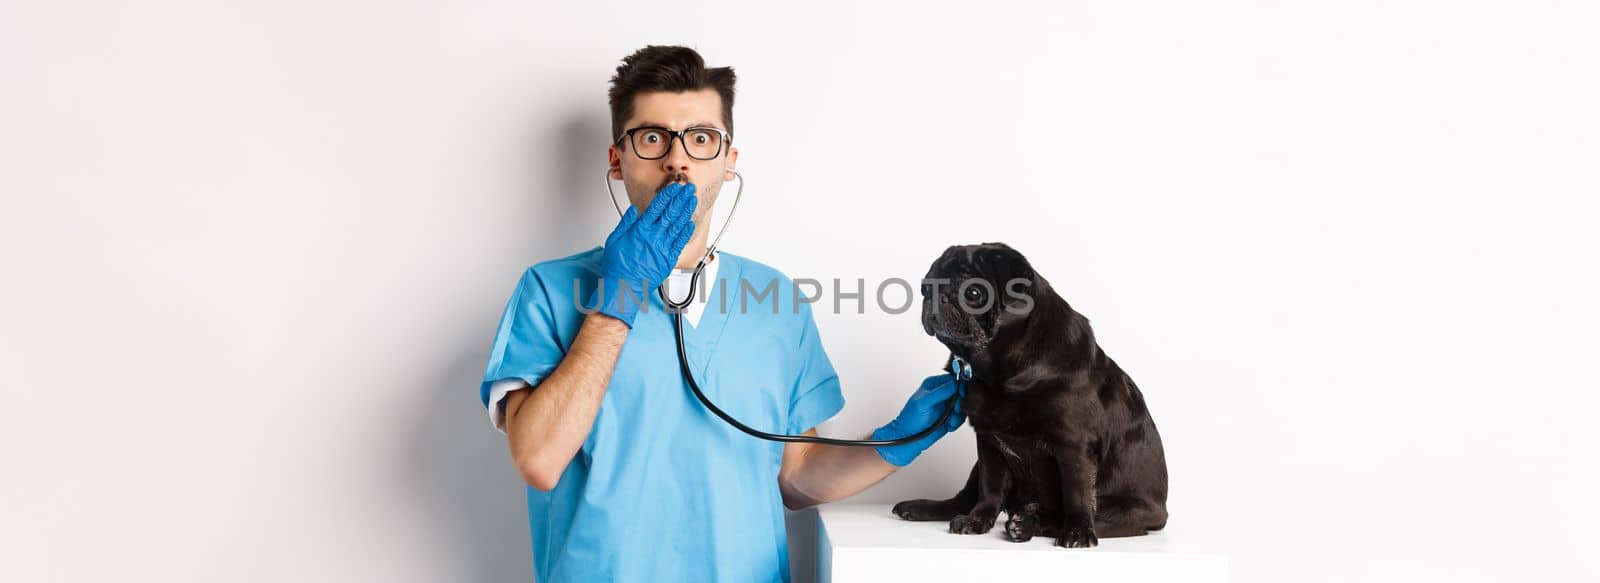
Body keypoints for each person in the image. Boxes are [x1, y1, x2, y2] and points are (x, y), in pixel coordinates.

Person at [477, 45, 965, 583]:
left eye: (701, 138)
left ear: (728, 163)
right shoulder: (549, 290)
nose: (677, 159)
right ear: (617, 160)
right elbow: (540, 462)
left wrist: (901, 439)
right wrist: (617, 298)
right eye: (653, 137)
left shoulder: (775, 300)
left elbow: (796, 479)